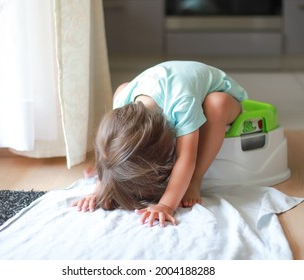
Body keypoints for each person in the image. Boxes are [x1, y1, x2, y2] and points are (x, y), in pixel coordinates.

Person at [72, 61, 248, 227]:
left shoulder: (181, 103)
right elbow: (111, 145)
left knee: (216, 104)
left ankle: (195, 181)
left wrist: (166, 204)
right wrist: (99, 189)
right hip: (170, 88)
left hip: (222, 94)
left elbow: (186, 157)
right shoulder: (122, 104)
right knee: (121, 89)